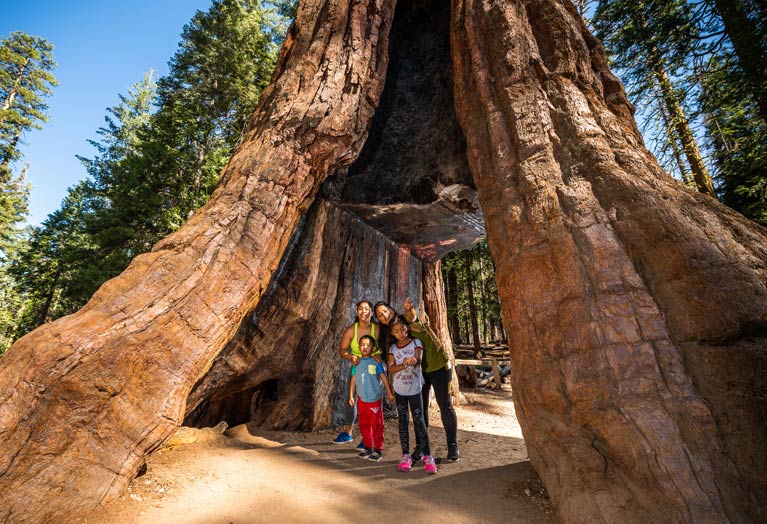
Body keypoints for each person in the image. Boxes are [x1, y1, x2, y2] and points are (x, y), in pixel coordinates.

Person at [375, 299, 460, 463]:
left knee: (445, 404)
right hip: (417, 373)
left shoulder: (407, 321)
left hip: (437, 366)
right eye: (380, 315)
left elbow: (412, 317)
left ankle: (452, 445)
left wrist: (410, 310)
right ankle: (421, 448)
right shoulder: (390, 335)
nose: (384, 315)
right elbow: (392, 358)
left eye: (385, 311)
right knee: (420, 411)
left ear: (392, 309)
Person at [388, 316, 437, 474]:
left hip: (415, 389)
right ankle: (406, 456)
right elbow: (391, 368)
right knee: (403, 422)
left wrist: (412, 360)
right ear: (392, 333)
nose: (400, 333)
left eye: (402, 329)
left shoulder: (416, 343)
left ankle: (428, 457)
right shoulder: (393, 349)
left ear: (407, 328)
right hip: (399, 390)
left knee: (419, 422)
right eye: (396, 331)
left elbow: (418, 359)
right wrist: (402, 364)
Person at [334, 300, 380, 444]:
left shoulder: (377, 329)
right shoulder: (351, 330)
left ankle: (369, 435)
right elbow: (342, 350)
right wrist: (350, 356)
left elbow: (386, 345)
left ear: (371, 312)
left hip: (373, 368)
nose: (363, 311)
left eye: (367, 309)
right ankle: (348, 433)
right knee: (351, 400)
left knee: (372, 400)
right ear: (357, 312)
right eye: (360, 308)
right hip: (357, 367)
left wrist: (380, 355)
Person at [349, 335, 395, 461]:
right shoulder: (356, 362)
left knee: (377, 425)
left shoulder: (376, 362)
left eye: (368, 345)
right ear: (358, 347)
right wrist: (351, 395)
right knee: (364, 424)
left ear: (373, 348)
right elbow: (353, 379)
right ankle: (368, 447)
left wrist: (389, 393)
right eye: (362, 345)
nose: (365, 347)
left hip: (374, 399)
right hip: (361, 400)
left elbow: (383, 377)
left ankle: (378, 449)